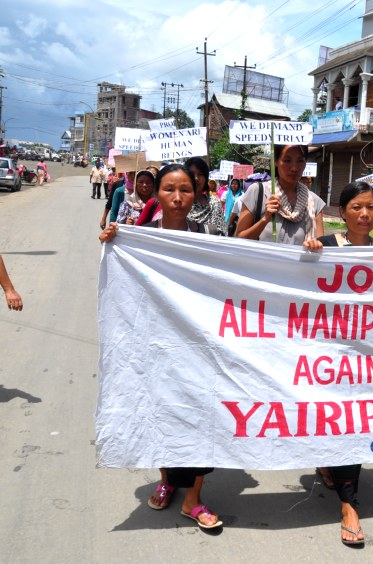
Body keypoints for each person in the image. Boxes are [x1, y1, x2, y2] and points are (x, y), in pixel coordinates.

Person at [98, 163, 222, 530]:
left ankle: (194, 500)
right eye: (169, 189)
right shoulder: (139, 238)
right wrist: (110, 242)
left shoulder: (206, 237)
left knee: (201, 419)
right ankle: (167, 481)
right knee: (163, 415)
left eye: (185, 189)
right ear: (158, 193)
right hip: (156, 347)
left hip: (197, 347)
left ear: (196, 193)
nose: (178, 197)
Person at [303, 181, 373, 546]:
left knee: (356, 424)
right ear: (342, 212)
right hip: (329, 356)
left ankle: (348, 504)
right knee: (334, 419)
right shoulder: (325, 247)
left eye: (371, 207)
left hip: (367, 359)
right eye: (356, 207)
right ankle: (338, 483)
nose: (365, 214)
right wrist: (308, 253)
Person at [236, 145, 325, 244]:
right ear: (276, 161)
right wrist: (265, 219)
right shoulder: (257, 192)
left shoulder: (314, 202)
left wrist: (314, 245)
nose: (294, 168)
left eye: (300, 161)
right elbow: (239, 239)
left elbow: (321, 246)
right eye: (287, 161)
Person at [186, 157, 225, 234]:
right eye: (192, 174)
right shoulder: (177, 202)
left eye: (200, 174)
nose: (196, 178)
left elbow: (222, 233)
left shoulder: (214, 203)